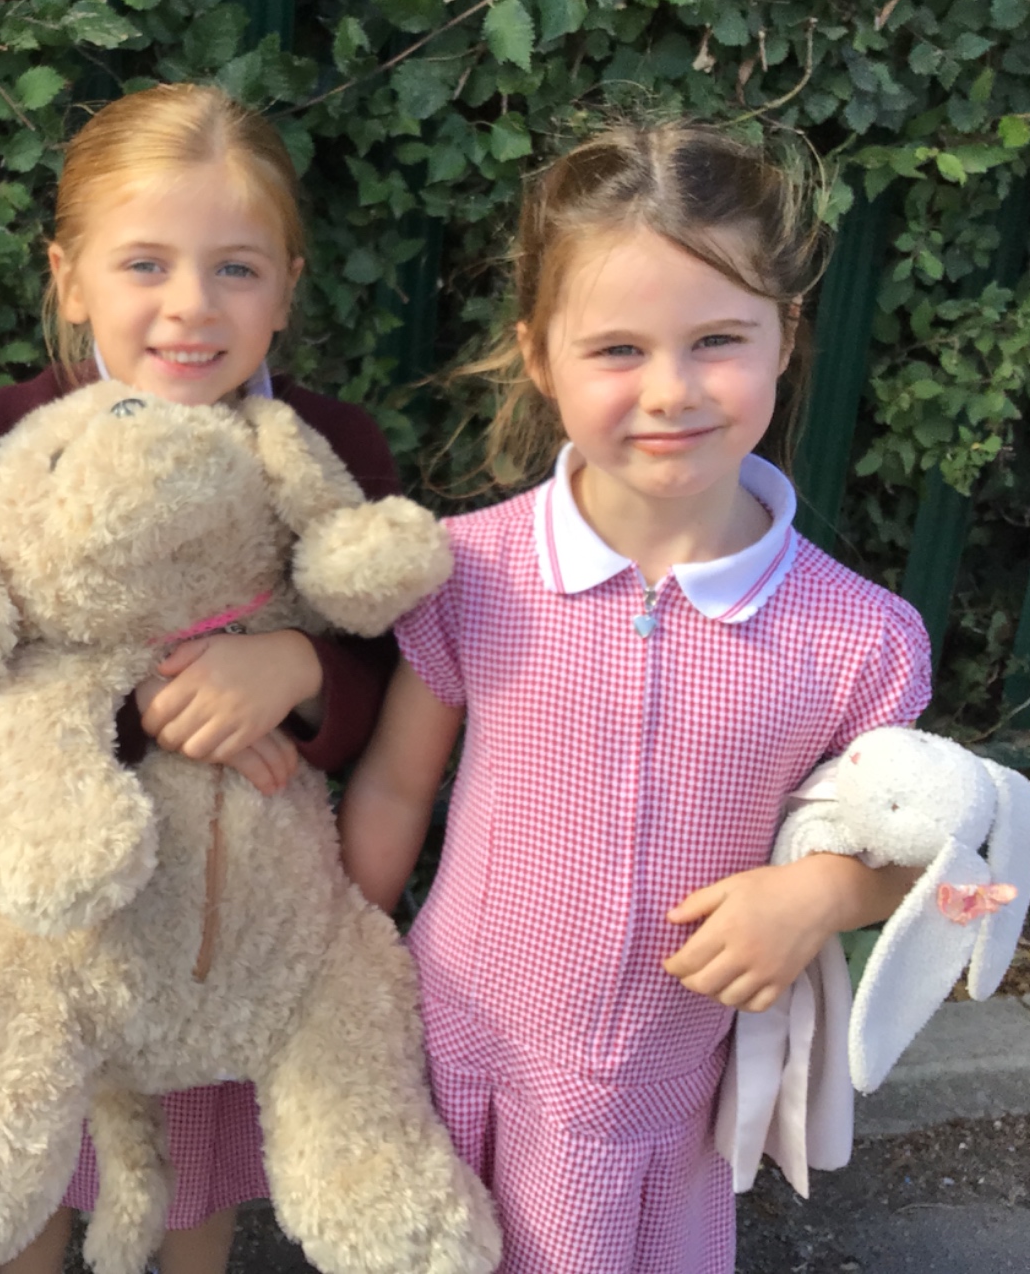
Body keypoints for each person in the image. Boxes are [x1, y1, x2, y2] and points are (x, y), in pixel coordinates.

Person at [338, 123, 933, 1273]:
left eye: (716, 340)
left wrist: (820, 895)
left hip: (663, 1102)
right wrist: (333, 973)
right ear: (537, 356)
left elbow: (912, 853)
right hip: (451, 1060)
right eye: (616, 348)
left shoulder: (858, 638)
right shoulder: (470, 571)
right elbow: (394, 788)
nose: (670, 390)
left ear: (783, 335)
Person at [0, 82, 400, 1274]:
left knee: (196, 1180)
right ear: (69, 277)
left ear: (285, 286)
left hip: (231, 919)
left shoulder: (333, 445)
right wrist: (142, 711)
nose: (190, 306)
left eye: (235, 269)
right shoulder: (11, 434)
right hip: (64, 923)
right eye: (144, 265)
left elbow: (389, 655)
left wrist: (295, 666)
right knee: (37, 1166)